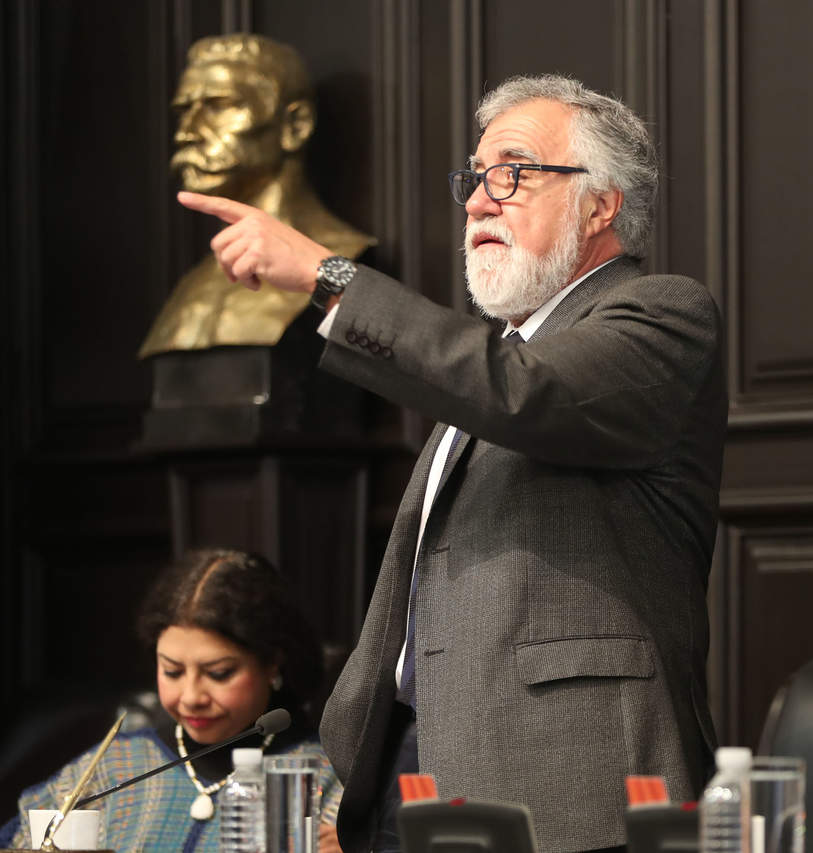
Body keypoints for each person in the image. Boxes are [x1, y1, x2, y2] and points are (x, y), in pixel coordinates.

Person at [177, 73, 726, 853]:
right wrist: (359, 766)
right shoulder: (496, 360)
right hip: (411, 776)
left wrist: (329, 279)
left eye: (512, 173)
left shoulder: (662, 315)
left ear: (600, 205)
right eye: (473, 178)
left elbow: (525, 394)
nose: (476, 203)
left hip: (572, 788)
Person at [0, 549, 344, 851]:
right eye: (172, 671)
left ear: (273, 664)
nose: (191, 697)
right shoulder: (114, 766)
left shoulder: (324, 780)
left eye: (219, 673)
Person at [138, 33, 375, 359]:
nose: (185, 132)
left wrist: (330, 277)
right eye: (184, 110)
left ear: (295, 125)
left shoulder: (351, 259)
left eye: (219, 105)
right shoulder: (190, 288)